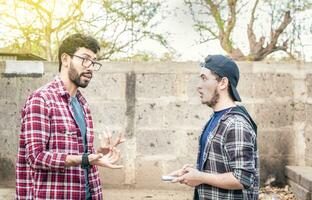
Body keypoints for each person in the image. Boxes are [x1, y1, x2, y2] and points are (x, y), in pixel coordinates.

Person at [15, 33, 125, 200]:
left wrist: (99, 153)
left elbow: (79, 156)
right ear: (65, 59)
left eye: (94, 62)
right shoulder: (42, 99)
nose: (90, 67)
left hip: (88, 194)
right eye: (85, 59)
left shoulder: (82, 104)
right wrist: (86, 159)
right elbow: (36, 157)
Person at [168, 55, 259, 199]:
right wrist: (193, 173)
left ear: (223, 83)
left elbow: (242, 178)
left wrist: (201, 177)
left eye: (204, 78)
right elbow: (218, 168)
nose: (198, 85)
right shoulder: (215, 119)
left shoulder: (236, 124)